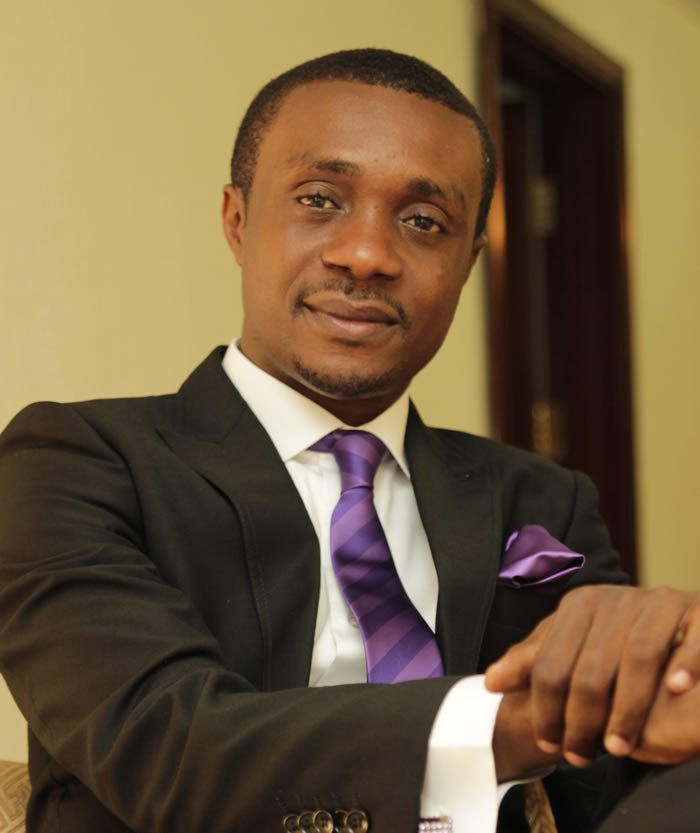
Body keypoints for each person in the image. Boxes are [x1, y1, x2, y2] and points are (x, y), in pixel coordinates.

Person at [0, 48, 698, 833]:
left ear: (468, 261)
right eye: (320, 200)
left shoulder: (541, 499)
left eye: (424, 221)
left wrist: (669, 677)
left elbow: (619, 782)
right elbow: (165, 746)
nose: (366, 255)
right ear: (237, 219)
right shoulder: (72, 460)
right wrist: (509, 721)